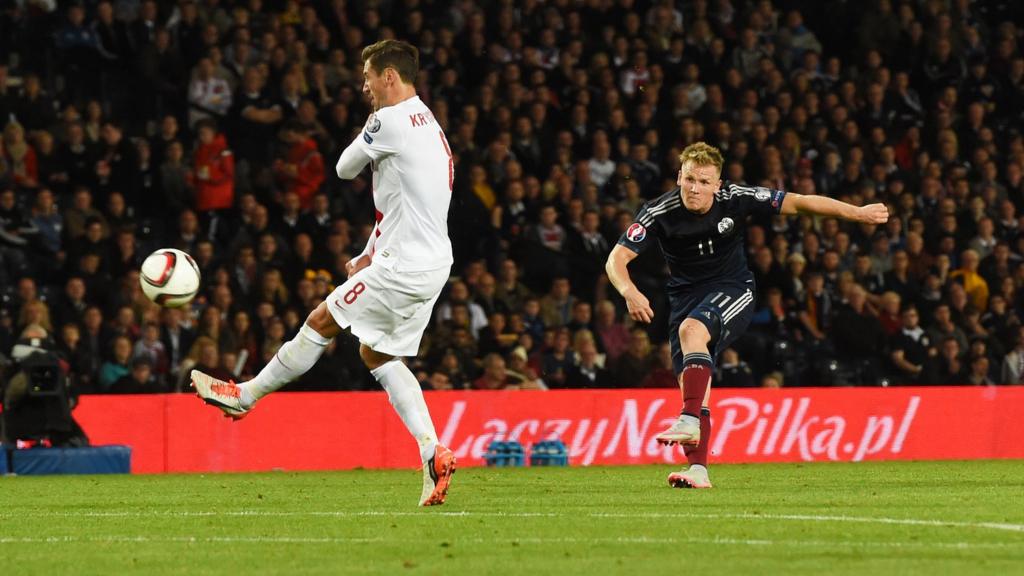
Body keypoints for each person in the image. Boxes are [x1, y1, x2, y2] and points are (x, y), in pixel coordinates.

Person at [191, 40, 457, 507]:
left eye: (370, 76)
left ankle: (245, 395)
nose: (365, 86)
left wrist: (369, 133)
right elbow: (403, 202)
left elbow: (341, 168)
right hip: (432, 262)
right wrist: (369, 251)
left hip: (404, 266)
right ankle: (431, 451)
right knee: (377, 355)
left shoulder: (388, 120)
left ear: (390, 77)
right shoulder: (429, 122)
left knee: (321, 321)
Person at [605, 142, 888, 489]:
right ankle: (699, 470)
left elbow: (799, 202)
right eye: (689, 179)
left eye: (704, 181)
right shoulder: (658, 211)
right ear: (679, 176)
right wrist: (629, 291)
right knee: (695, 388)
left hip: (734, 288)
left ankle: (689, 419)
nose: (695, 188)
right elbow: (615, 260)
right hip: (685, 299)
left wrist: (856, 213)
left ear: (718, 184)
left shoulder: (736, 197)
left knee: (693, 335)